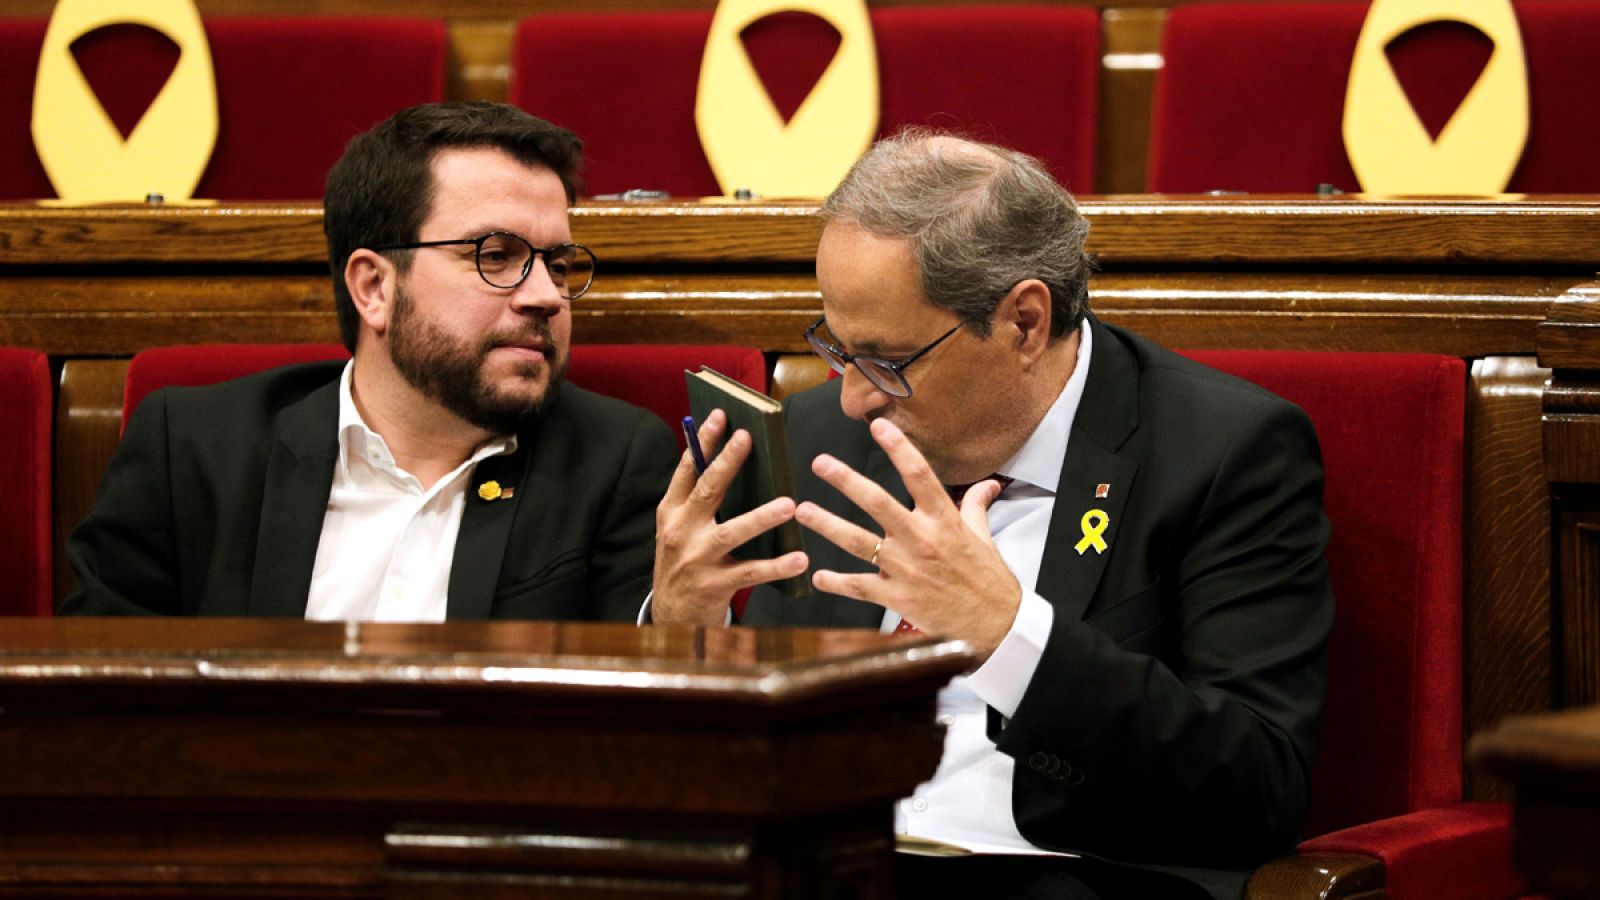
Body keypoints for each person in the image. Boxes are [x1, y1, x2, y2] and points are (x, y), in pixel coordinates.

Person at [651, 132, 1334, 899]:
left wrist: (1012, 639)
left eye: (887, 361)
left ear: (1024, 324)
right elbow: (728, 766)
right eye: (837, 350)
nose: (851, 397)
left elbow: (1259, 788)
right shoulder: (820, 439)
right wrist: (683, 636)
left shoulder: (1220, 451)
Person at [62, 102, 675, 621]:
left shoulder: (616, 463)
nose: (546, 295)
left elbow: (636, 728)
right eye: (496, 255)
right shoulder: (192, 450)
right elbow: (92, 709)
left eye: (559, 265)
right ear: (374, 288)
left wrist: (683, 624)